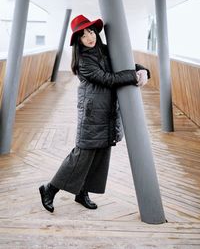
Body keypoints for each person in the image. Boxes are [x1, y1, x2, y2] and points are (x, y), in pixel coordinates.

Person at [39, 14, 150, 213]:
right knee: (82, 154)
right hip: (92, 114)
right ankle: (50, 188)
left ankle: (82, 192)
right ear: (78, 42)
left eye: (90, 31)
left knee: (100, 154)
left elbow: (125, 64)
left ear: (96, 33)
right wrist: (133, 76)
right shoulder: (84, 61)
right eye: (83, 35)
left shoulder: (105, 51)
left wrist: (142, 70)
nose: (89, 37)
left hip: (107, 112)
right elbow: (107, 78)